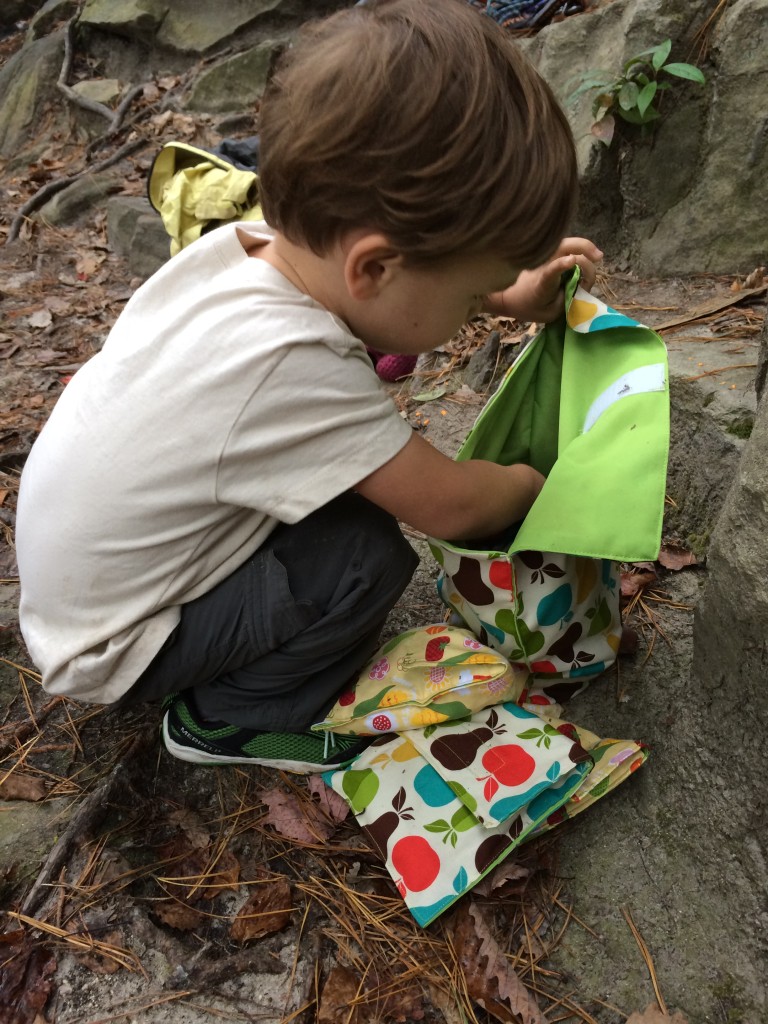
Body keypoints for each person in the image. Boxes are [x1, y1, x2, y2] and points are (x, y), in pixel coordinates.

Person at [15, 0, 601, 773]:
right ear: (373, 268)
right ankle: (230, 720)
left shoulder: (246, 248)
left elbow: (398, 287)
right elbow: (451, 506)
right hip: (121, 643)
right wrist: (540, 482)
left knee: (343, 502)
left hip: (84, 591)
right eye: (470, 299)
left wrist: (503, 292)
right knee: (365, 557)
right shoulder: (286, 366)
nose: (472, 313)